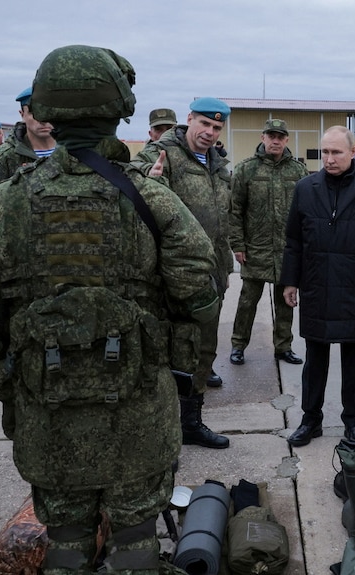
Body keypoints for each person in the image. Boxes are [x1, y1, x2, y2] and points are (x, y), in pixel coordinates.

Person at [0, 44, 221, 574]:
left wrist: (8, 389)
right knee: (136, 540)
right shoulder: (153, 199)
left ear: (47, 109)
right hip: (138, 405)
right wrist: (179, 364)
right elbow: (199, 296)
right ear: (118, 106)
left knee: (67, 538)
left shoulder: (2, 204)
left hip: (47, 405)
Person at [281, 126, 355, 447]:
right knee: (315, 360)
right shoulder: (306, 189)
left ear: (353, 153)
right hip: (317, 287)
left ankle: (353, 423)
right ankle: (311, 419)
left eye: (336, 152)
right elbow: (294, 240)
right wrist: (290, 281)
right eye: (325, 152)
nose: (330, 159)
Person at [135, 97, 234, 449]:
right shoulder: (161, 155)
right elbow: (132, 191)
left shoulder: (219, 165)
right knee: (165, 353)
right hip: (169, 279)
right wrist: (147, 183)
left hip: (211, 276)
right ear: (189, 118)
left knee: (204, 350)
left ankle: (191, 422)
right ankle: (158, 429)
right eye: (205, 124)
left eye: (217, 127)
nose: (209, 132)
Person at [227, 119, 308, 366]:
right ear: (263, 137)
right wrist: (238, 244)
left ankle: (283, 347)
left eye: (280, 136)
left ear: (286, 140)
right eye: (271, 135)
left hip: (287, 250)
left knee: (286, 301)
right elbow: (235, 210)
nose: (275, 140)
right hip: (256, 249)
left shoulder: (298, 171)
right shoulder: (245, 170)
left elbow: (306, 211)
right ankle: (238, 345)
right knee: (248, 301)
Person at [0, 87, 56, 201]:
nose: (43, 119)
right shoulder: (3, 157)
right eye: (35, 112)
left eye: (49, 110)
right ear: (22, 114)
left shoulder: (76, 152)